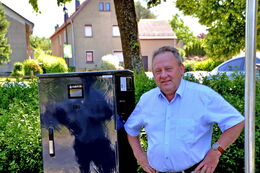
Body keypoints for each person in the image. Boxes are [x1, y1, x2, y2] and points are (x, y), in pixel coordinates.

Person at [124, 46, 244, 173]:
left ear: (181, 69)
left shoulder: (203, 96)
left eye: (168, 69)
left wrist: (216, 151)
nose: (163, 75)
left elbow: (236, 122)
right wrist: (140, 157)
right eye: (158, 71)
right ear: (153, 74)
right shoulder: (147, 100)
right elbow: (131, 129)